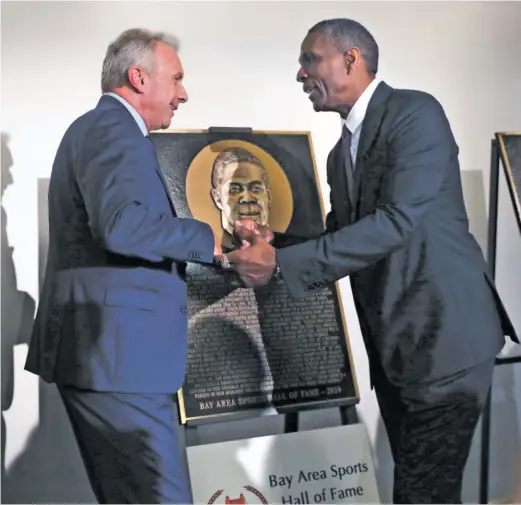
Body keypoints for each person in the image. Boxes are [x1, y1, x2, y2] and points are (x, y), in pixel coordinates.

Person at [226, 18, 519, 504]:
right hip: (400, 350)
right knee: (427, 491)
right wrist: (276, 244)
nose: (300, 75)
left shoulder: (415, 113)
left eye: (309, 59)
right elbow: (344, 232)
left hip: (445, 341)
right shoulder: (341, 153)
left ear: (350, 59)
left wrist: (277, 265)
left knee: (422, 494)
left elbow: (395, 221)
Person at [24, 28, 220, 504]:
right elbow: (122, 227)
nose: (183, 93)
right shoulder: (114, 128)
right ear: (138, 77)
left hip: (110, 361)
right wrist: (208, 237)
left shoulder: (97, 128)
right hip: (120, 367)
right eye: (175, 79)